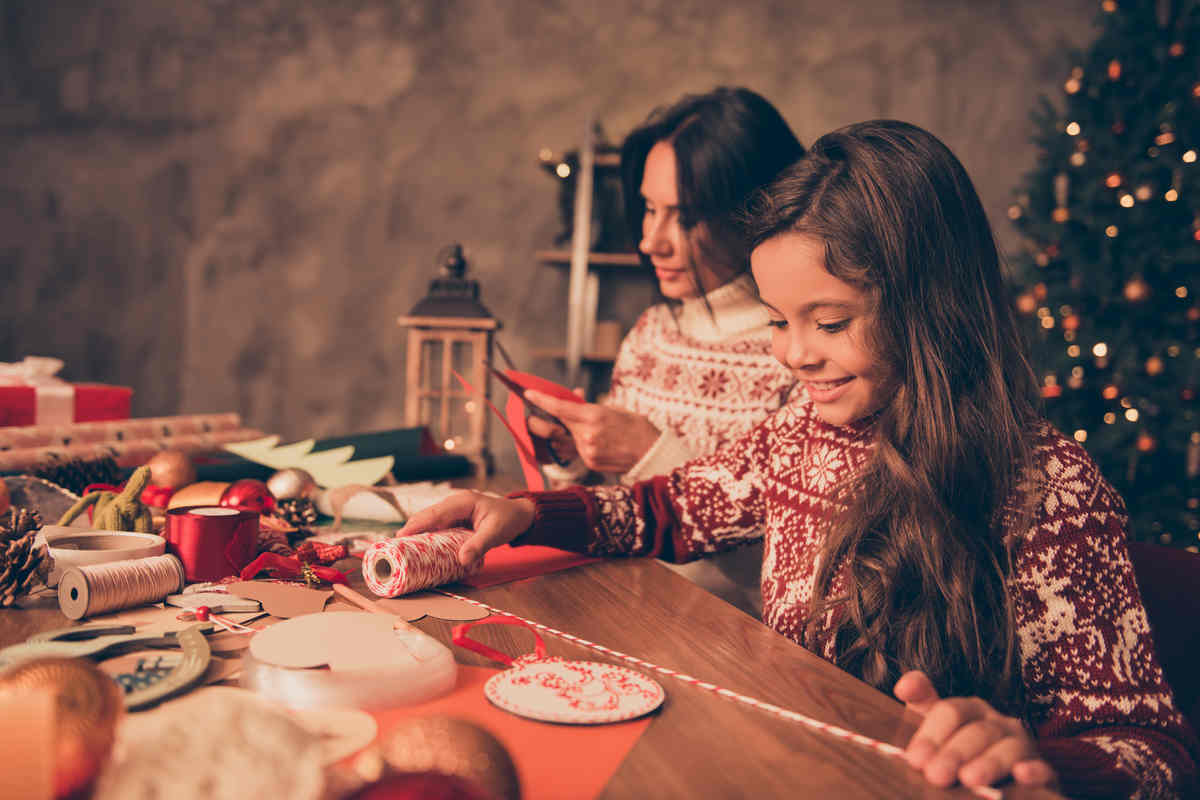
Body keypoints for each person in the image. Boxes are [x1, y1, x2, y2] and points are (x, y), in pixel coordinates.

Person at [402, 120, 1199, 797]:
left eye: (829, 320)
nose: (795, 355)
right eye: (779, 321)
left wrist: (1034, 760)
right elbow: (668, 508)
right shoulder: (799, 431)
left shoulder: (1047, 489)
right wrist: (528, 512)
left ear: (932, 307)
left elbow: (1151, 749)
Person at [526, 87, 804, 615]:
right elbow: (615, 507)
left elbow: (789, 566)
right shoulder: (650, 333)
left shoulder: (803, 352)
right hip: (623, 611)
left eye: (684, 215)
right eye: (649, 209)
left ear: (755, 208)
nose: (651, 240)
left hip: (730, 643)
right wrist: (573, 454)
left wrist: (652, 454)